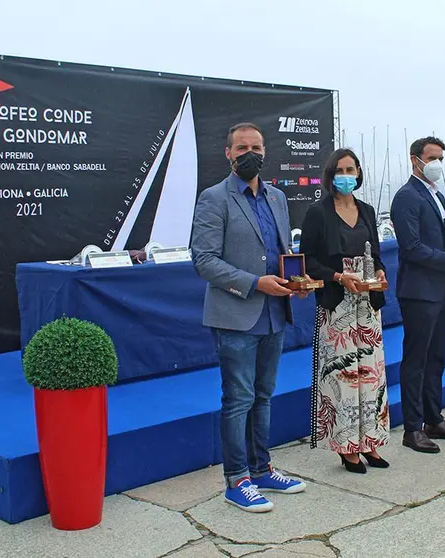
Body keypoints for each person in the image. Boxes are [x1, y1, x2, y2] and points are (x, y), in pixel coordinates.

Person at [191, 122, 306, 513]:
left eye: (256, 146)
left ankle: (261, 469)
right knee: (238, 399)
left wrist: (296, 281)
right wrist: (256, 282)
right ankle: (236, 480)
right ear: (228, 153)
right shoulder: (213, 198)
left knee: (264, 396)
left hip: (275, 313)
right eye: (242, 147)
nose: (249, 153)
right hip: (236, 315)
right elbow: (204, 261)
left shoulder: (276, 197)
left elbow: (281, 251)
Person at [300, 148, 390, 474]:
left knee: (372, 374)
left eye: (351, 169)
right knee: (344, 376)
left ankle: (371, 442)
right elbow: (307, 260)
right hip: (337, 303)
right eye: (340, 169)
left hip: (367, 304)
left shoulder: (366, 210)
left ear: (359, 173)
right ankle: (347, 447)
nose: (346, 175)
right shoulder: (318, 212)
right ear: (330, 175)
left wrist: (379, 273)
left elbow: (376, 256)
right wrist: (339, 276)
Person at [390, 136, 445, 453]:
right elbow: (411, 247)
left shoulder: (436, 195)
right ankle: (412, 427)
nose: (437, 163)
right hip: (419, 292)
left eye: (441, 157)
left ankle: (433, 418)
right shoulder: (406, 197)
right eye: (431, 157)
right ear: (415, 160)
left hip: (442, 290)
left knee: (437, 357)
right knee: (417, 360)